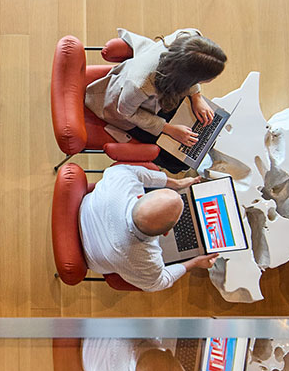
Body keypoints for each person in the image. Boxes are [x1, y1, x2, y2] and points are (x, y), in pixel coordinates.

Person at [84, 28, 227, 172]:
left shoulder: (190, 36)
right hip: (126, 111)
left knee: (203, 124)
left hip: (164, 92)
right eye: (202, 81)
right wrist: (168, 129)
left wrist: (197, 96)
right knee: (179, 162)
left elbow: (190, 72)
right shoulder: (139, 85)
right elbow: (126, 113)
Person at [78, 165, 218, 292]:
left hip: (83, 212)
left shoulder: (122, 178)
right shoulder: (144, 259)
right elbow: (159, 283)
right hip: (89, 254)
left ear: (141, 196)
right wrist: (195, 262)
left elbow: (136, 172)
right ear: (166, 233)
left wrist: (176, 183)